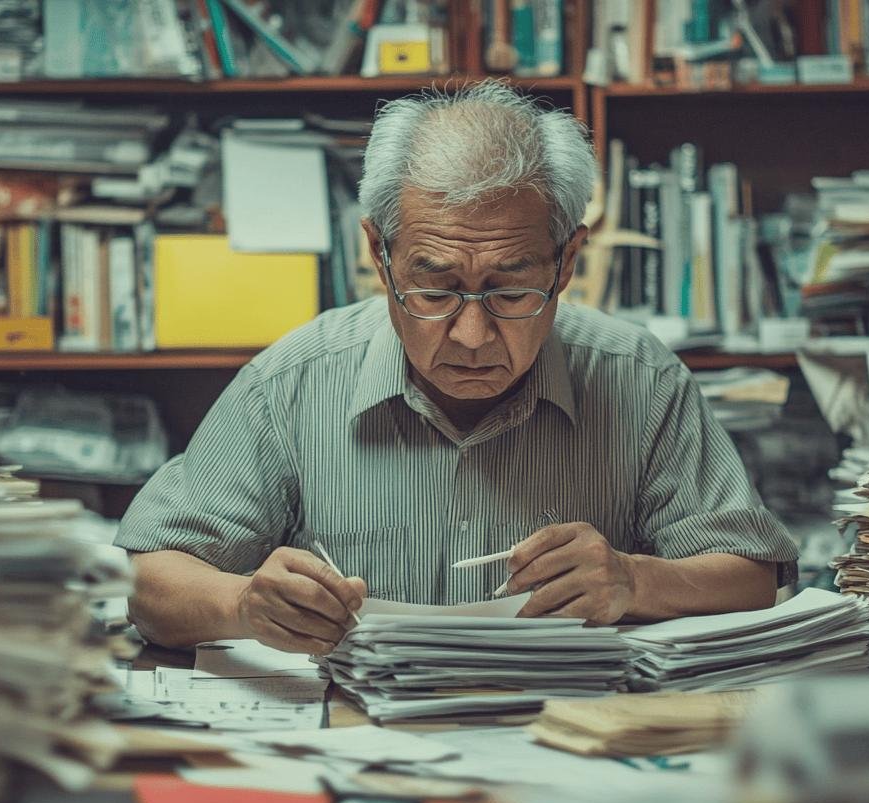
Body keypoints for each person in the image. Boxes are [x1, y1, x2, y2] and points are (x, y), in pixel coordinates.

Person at [116, 81, 798, 654]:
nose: (472, 335)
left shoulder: (637, 378)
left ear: (568, 261)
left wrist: (636, 580)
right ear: (379, 256)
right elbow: (154, 585)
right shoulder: (292, 383)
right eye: (436, 290)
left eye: (510, 290)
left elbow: (751, 574)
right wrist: (244, 604)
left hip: (566, 746)